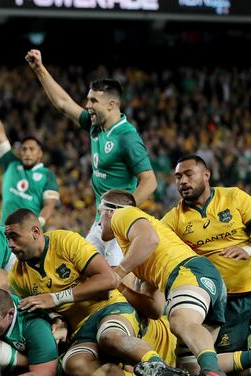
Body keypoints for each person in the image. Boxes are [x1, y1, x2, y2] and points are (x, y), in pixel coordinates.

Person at [161, 154, 251, 376]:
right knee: (235, 371)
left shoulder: (234, 197)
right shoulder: (172, 220)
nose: (183, 181)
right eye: (178, 177)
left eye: (189, 174)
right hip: (225, 302)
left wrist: (248, 250)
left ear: (206, 175)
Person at [4, 208, 187, 376]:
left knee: (109, 337)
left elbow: (108, 279)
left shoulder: (65, 241)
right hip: (81, 328)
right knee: (74, 366)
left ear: (35, 232)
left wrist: (57, 298)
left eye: (15, 237)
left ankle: (159, 366)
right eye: (8, 238)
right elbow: (42, 308)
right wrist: (57, 318)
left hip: (109, 308)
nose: (11, 244)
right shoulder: (17, 276)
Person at [26, 49, 157, 266]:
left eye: (93, 101)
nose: (88, 106)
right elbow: (63, 103)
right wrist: (39, 69)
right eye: (88, 100)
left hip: (119, 228)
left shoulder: (127, 137)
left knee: (117, 284)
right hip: (99, 223)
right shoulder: (96, 126)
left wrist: (121, 213)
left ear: (111, 105)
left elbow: (150, 181)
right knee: (82, 270)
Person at [98, 189, 230, 376]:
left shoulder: (123, 214)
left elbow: (149, 239)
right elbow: (155, 309)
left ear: (110, 211)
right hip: (202, 276)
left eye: (100, 213)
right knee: (190, 365)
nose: (99, 222)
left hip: (187, 272)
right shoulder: (139, 253)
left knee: (180, 321)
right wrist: (122, 286)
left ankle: (212, 373)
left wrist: (117, 273)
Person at [0, 91, 60, 226]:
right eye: (24, 149)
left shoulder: (47, 175)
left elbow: (49, 205)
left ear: (40, 153)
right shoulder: (10, 163)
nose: (27, 152)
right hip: (4, 231)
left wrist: (38, 223)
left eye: (32, 149)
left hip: (28, 234)